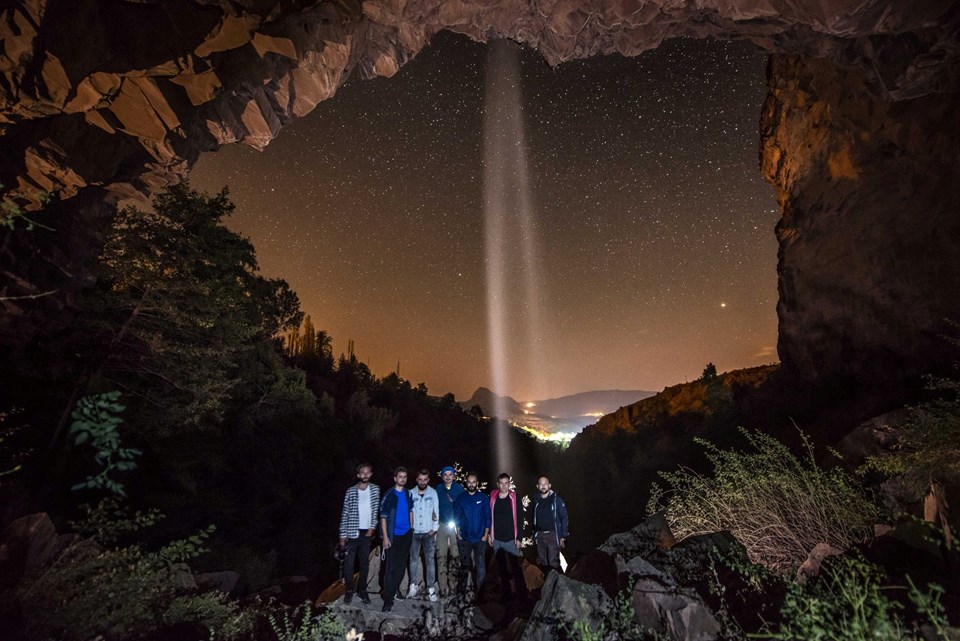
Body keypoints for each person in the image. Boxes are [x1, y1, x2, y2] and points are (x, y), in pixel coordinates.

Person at [338, 462, 381, 605]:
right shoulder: (350, 491)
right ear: (358, 475)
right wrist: (342, 535)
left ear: (371, 474)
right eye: (362, 472)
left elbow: (376, 510)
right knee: (349, 563)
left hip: (366, 533)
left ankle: (362, 590)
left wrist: (372, 528)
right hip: (351, 532)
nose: (365, 475)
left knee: (364, 563)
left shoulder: (375, 489)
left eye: (368, 472)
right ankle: (349, 590)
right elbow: (345, 512)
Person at [379, 467, 414, 612]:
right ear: (395, 478)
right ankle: (388, 600)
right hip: (393, 536)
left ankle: (395, 589)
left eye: (405, 477)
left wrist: (412, 528)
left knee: (400, 568)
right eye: (400, 477)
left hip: (406, 534)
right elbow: (383, 517)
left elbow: (411, 510)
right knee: (390, 568)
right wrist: (386, 537)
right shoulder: (389, 495)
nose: (403, 479)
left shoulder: (407, 493)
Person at [453, 471, 490, 597]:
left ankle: (481, 592)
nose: (471, 484)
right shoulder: (461, 498)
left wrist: (486, 534)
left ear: (477, 483)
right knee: (464, 564)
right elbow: (456, 515)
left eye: (474, 482)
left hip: (480, 538)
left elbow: (487, 517)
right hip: (465, 537)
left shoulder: (483, 498)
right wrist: (457, 532)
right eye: (469, 482)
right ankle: (461, 591)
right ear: (466, 483)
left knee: (480, 564)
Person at [489, 472, 524, 602]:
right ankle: (507, 594)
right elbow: (489, 517)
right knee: (502, 568)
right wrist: (490, 535)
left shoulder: (514, 498)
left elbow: (520, 517)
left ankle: (522, 593)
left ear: (509, 484)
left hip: (511, 539)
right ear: (498, 484)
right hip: (497, 538)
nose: (504, 486)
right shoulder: (493, 498)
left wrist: (519, 537)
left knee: (516, 568)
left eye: (506, 483)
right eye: (501, 483)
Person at [408, 468, 439, 601]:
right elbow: (409, 511)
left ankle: (431, 589)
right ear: (416, 480)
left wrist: (435, 528)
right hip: (415, 532)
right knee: (413, 560)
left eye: (425, 479)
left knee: (430, 561)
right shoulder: (410, 493)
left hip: (428, 532)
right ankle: (413, 586)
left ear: (428, 480)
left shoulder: (433, 493)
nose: (422, 482)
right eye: (420, 479)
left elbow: (436, 510)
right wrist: (410, 528)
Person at [435, 465, 464, 596]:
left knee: (455, 556)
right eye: (445, 474)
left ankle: (453, 585)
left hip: (455, 526)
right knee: (441, 555)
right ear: (442, 476)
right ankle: (442, 586)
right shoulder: (438, 489)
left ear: (454, 475)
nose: (447, 477)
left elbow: (463, 506)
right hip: (441, 524)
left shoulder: (459, 489)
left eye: (450, 474)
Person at [532, 475, 569, 575]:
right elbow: (534, 518)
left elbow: (564, 517)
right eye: (541, 484)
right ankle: (547, 584)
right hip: (540, 535)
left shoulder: (557, 500)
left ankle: (560, 584)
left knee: (553, 561)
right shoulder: (536, 501)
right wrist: (534, 534)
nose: (543, 486)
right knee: (542, 561)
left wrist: (563, 535)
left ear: (549, 485)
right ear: (537, 486)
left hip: (553, 534)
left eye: (545, 484)